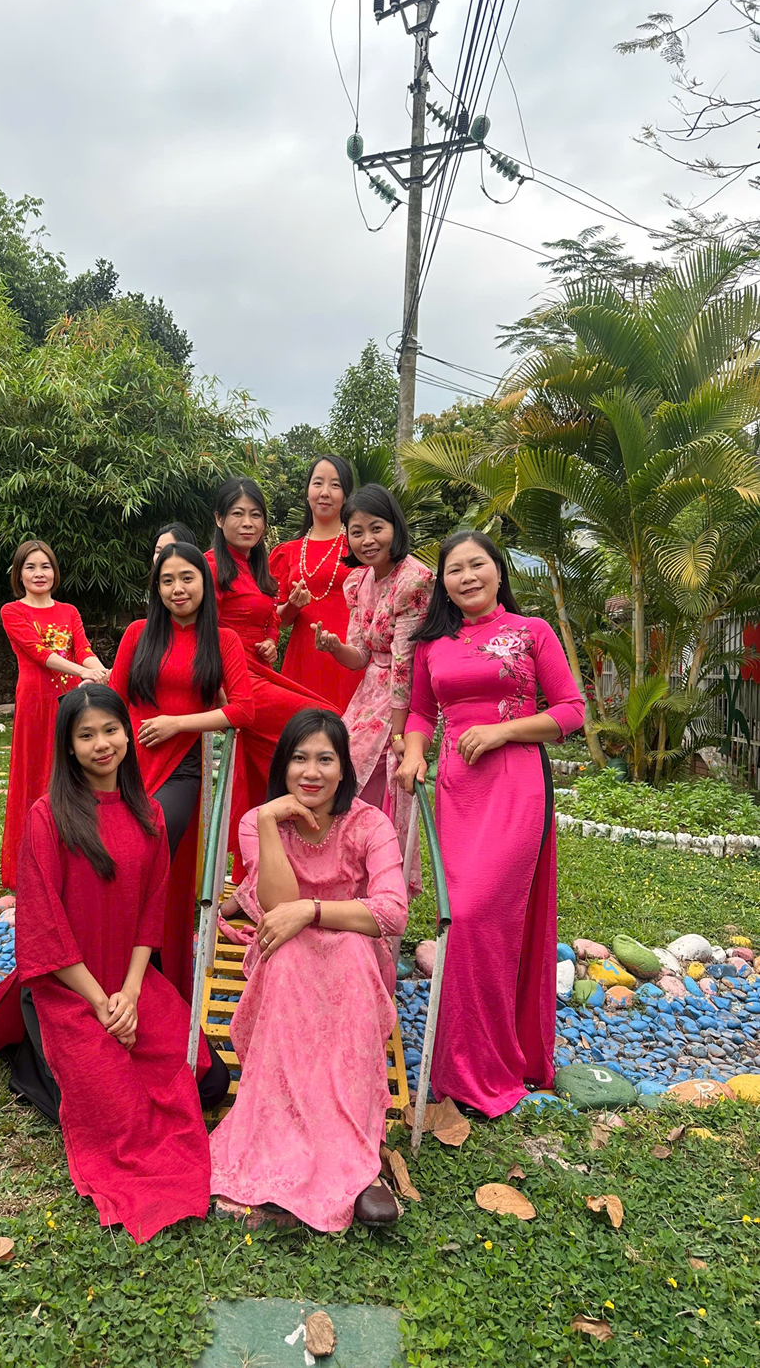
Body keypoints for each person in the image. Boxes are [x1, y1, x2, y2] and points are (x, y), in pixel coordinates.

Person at [0, 686, 223, 1242]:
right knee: (116, 1115)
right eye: (86, 734)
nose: (102, 743)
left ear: (128, 734)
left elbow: (151, 912)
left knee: (208, 1083)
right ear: (69, 747)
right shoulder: (48, 816)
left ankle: (53, 1063)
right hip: (67, 987)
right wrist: (101, 1003)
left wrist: (130, 993)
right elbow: (44, 927)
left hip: (129, 982)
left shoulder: (149, 814)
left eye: (111, 730)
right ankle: (32, 1064)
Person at [396, 530, 585, 1117]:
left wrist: (503, 731)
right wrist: (413, 754)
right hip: (457, 788)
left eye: (477, 565)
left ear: (498, 572)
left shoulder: (532, 632)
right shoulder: (433, 643)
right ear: (444, 584)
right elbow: (421, 711)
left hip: (516, 783)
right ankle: (461, 1065)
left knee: (481, 915)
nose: (467, 577)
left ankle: (487, 1067)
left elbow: (571, 712)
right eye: (454, 570)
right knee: (459, 920)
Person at [208, 710, 408, 1231]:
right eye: (299, 758)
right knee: (291, 955)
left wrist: (312, 911)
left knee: (349, 954)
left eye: (325, 759)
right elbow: (276, 909)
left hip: (353, 955)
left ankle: (356, 1161)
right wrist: (269, 823)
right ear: (283, 766)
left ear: (344, 769)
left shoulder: (369, 823)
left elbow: (392, 913)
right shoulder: (259, 821)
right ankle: (281, 1148)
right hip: (285, 953)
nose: (311, 772)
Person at [109, 542, 255, 998]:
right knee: (111, 850)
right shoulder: (138, 633)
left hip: (181, 767)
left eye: (187, 578)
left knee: (149, 842)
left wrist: (178, 723)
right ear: (156, 588)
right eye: (167, 580)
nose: (177, 588)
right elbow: (113, 698)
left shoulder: (223, 640)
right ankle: (108, 953)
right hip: (125, 764)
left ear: (204, 583)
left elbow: (244, 710)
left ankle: (149, 967)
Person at [205, 478, 337, 875]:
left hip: (258, 668)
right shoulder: (210, 566)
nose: (248, 523)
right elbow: (202, 631)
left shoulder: (256, 567)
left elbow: (269, 620)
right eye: (238, 514)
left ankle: (257, 874)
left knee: (265, 767)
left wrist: (269, 641)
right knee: (321, 719)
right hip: (233, 677)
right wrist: (219, 688)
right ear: (219, 518)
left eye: (256, 515)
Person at [313, 484, 433, 888]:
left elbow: (404, 664)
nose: (367, 540)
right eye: (357, 531)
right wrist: (334, 647)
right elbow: (361, 655)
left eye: (376, 528)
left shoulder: (414, 580)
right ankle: (338, 875)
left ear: (394, 527)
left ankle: (372, 884)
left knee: (366, 785)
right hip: (367, 695)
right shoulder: (359, 581)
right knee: (342, 773)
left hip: (401, 699)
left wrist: (400, 733)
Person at [0, 540, 109, 889]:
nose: (39, 573)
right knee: (35, 776)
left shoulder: (69, 611)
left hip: (71, 705)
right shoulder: (12, 611)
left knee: (73, 775)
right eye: (30, 567)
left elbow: (83, 649)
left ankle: (72, 859)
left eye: (45, 566)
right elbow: (40, 653)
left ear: (55, 572)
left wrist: (101, 671)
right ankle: (29, 866)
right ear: (19, 575)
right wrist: (84, 671)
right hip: (36, 706)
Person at [269, 455, 358, 712]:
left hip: (351, 658)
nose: (325, 492)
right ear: (307, 492)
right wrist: (293, 606)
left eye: (335, 485)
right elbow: (277, 620)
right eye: (318, 483)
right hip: (304, 659)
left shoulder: (360, 548)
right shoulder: (287, 552)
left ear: (346, 495)